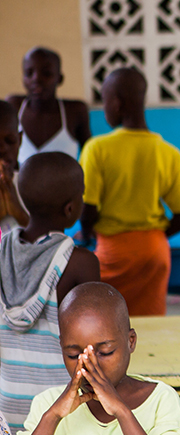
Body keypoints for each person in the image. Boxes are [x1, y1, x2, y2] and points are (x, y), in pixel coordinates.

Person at [79, 67, 180, 316]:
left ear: (117, 104)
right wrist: (152, 238)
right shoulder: (168, 151)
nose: (104, 109)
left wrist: (88, 231)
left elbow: (87, 208)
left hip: (112, 254)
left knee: (108, 325)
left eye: (104, 102)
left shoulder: (97, 148)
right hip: (153, 253)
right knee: (150, 327)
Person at [0, 153, 100, 430]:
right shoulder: (80, 262)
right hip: (60, 404)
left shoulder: (2, 251)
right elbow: (98, 339)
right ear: (70, 209)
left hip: (7, 401)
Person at [19, 283, 180, 435]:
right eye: (74, 355)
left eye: (105, 352)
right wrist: (53, 417)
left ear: (131, 342)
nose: (89, 364)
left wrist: (121, 411)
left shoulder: (160, 400)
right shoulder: (47, 404)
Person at [6, 47, 90, 165]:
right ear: (23, 79)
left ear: (59, 78)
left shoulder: (74, 111)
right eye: (29, 73)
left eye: (46, 73)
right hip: (17, 183)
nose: (36, 79)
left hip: (65, 184)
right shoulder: (14, 106)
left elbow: (90, 156)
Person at [0, 102, 27, 234]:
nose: (3, 149)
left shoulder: (32, 185)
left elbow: (49, 243)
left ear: (20, 139)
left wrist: (19, 213)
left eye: (10, 141)